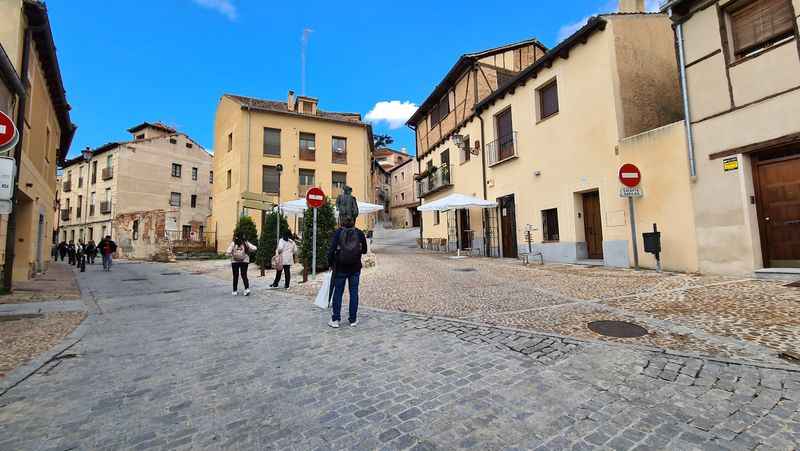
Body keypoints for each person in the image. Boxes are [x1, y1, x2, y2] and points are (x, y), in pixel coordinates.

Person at [326, 215, 368, 328]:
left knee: (338, 293)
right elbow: (364, 250)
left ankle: (335, 319)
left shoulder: (338, 232)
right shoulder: (359, 233)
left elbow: (331, 250)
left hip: (340, 268)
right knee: (354, 293)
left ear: (342, 223)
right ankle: (353, 319)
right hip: (355, 268)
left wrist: (330, 263)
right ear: (354, 222)